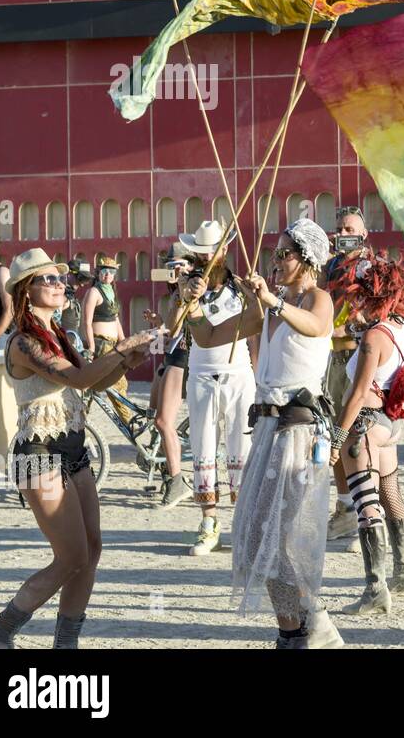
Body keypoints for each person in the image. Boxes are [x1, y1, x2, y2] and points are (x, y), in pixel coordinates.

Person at [0, 249, 152, 649]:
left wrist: (125, 364)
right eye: (49, 279)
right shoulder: (23, 343)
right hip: (39, 453)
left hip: (73, 448)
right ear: (27, 291)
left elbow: (90, 383)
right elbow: (76, 379)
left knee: (91, 549)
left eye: (60, 279)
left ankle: (66, 643)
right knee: (71, 557)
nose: (61, 284)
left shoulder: (58, 335)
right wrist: (124, 349)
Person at [185, 218, 343, 648]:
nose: (275, 261)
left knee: (286, 537)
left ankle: (303, 631)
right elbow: (210, 336)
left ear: (307, 259)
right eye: (274, 254)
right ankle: (302, 626)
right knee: (256, 535)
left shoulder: (318, 299)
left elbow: (315, 326)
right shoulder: (269, 305)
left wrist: (272, 301)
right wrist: (195, 304)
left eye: (283, 254)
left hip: (300, 430)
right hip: (269, 429)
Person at [330, 251, 404, 613]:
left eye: (359, 296)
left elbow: (356, 393)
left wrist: (337, 438)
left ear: (372, 295)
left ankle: (375, 589)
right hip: (389, 424)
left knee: (367, 507)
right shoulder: (399, 326)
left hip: (364, 427)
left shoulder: (373, 338)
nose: (354, 303)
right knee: (391, 495)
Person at [176, 221, 255, 556]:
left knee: (242, 446)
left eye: (214, 249)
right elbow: (173, 326)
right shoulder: (188, 285)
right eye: (202, 250)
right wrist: (184, 298)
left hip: (238, 374)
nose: (208, 255)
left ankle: (245, 522)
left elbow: (258, 324)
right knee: (204, 447)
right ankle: (209, 522)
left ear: (224, 251)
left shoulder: (240, 285)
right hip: (202, 374)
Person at [321, 205, 371, 547]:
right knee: (332, 436)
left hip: (358, 355)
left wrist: (339, 332)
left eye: (350, 228)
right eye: (340, 228)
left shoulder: (371, 268)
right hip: (332, 358)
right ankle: (345, 508)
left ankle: (367, 516)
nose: (344, 233)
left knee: (357, 439)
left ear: (364, 233)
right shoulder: (330, 265)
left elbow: (369, 317)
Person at [145, 247, 194, 508]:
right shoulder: (177, 293)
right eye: (171, 267)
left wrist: (182, 296)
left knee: (164, 421)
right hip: (172, 355)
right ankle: (165, 469)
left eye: (180, 267)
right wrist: (158, 322)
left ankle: (177, 481)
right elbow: (172, 328)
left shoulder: (190, 291)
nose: (174, 272)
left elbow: (179, 327)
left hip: (184, 358)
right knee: (153, 415)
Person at [79, 255, 135, 424]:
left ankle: (129, 424)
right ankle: (80, 424)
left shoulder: (111, 292)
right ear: (98, 273)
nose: (108, 275)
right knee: (104, 385)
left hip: (113, 344)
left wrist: (124, 341)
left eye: (111, 272)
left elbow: (115, 319)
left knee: (119, 386)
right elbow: (86, 321)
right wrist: (91, 346)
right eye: (104, 272)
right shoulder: (93, 292)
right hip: (100, 344)